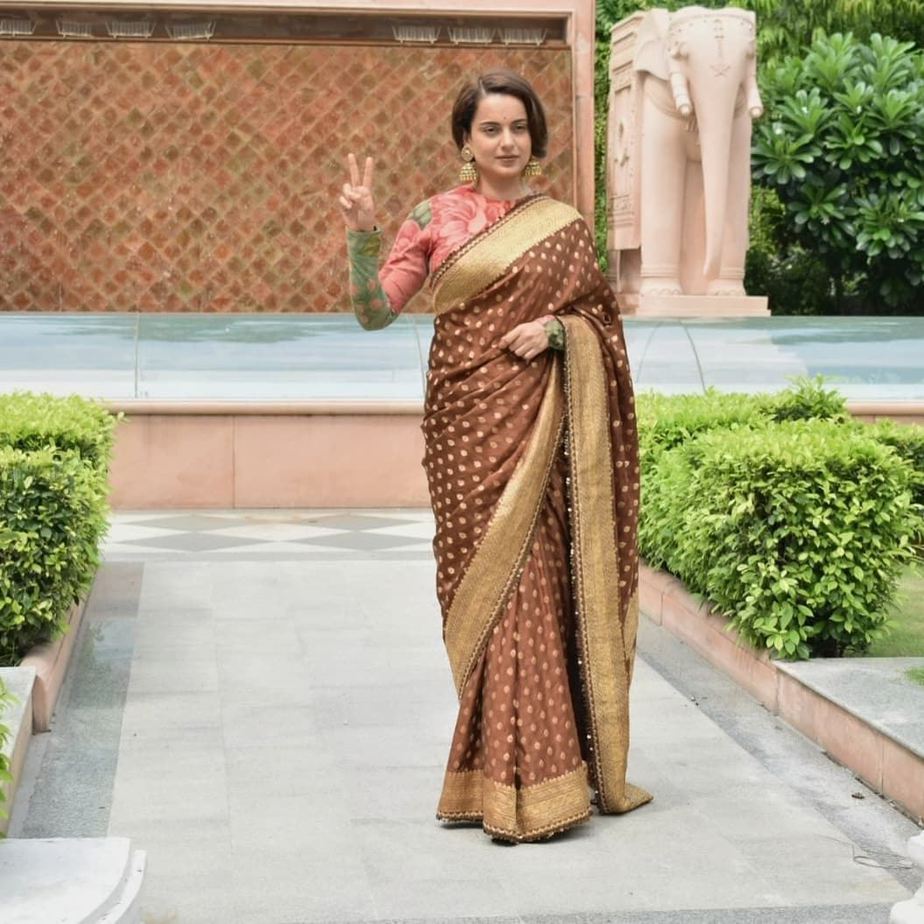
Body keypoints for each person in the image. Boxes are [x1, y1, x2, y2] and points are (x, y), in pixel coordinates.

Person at [338, 70, 652, 843]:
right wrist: (362, 231)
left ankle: (540, 781)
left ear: (534, 138)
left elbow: (598, 326)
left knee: (534, 588)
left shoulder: (565, 225)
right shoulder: (434, 217)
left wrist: (557, 333)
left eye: (518, 128)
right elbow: (376, 314)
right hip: (464, 427)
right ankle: (493, 769)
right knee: (478, 589)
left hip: (544, 426)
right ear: (464, 140)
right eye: (491, 129)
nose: (506, 141)